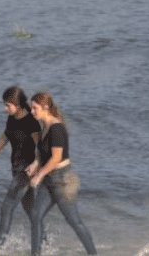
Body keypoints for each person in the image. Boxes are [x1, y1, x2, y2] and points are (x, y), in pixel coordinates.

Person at [27, 91, 97, 255]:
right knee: (36, 216)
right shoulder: (45, 126)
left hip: (62, 181)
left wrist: (39, 175)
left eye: (34, 108)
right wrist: (35, 163)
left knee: (74, 221)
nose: (32, 111)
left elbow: (56, 158)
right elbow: (45, 154)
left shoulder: (56, 128)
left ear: (45, 108)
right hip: (50, 180)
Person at [0, 85, 41, 247]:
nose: (5, 108)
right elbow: (3, 139)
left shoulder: (31, 122)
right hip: (16, 170)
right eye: (4, 104)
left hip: (27, 171)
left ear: (18, 104)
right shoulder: (12, 119)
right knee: (30, 209)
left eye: (7, 105)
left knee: (6, 207)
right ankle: (43, 242)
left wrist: (36, 164)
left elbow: (41, 147)